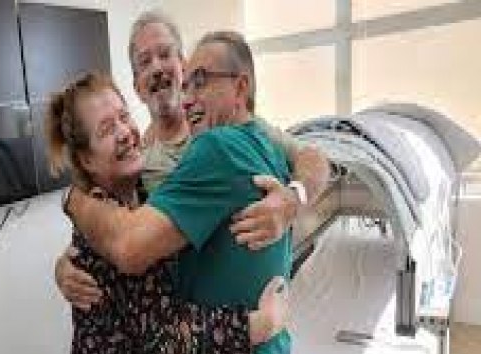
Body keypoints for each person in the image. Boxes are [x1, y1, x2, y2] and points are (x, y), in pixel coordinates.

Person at [63, 31, 306, 354]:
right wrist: (259, 324)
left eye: (199, 79)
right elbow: (130, 259)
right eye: (106, 128)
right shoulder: (137, 189)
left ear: (240, 87)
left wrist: (297, 195)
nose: (186, 91)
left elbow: (315, 158)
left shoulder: (214, 148)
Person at [55, 9, 330, 310]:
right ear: (137, 87)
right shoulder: (136, 160)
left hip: (235, 316)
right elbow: (119, 225)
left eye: (165, 54)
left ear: (182, 66)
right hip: (192, 321)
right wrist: (71, 259)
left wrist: (294, 199)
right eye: (144, 62)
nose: (157, 67)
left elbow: (315, 159)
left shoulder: (230, 132)